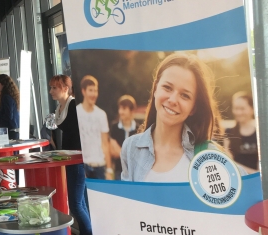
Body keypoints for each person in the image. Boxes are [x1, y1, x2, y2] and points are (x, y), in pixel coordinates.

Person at [121, 54, 221, 183]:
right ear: (155, 89)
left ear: (193, 108)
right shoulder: (130, 147)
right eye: (167, 88)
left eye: (185, 95)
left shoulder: (209, 155)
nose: (173, 100)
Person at [49, 75, 94, 235]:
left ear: (65, 88)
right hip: (70, 158)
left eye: (55, 88)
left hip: (78, 159)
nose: (51, 91)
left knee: (76, 204)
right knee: (79, 203)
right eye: (51, 87)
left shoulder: (74, 106)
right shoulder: (60, 108)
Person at [76, 76, 113, 179]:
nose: (93, 94)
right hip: (83, 166)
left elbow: (105, 143)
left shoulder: (101, 114)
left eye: (95, 91)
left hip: (99, 166)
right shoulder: (76, 112)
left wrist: (109, 170)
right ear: (83, 91)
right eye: (90, 90)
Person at [225, 91, 259, 172]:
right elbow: (228, 163)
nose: (239, 112)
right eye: (236, 108)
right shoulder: (229, 133)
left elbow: (261, 169)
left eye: (242, 109)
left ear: (252, 109)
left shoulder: (259, 134)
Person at [109, 95, 138, 179]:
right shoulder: (114, 127)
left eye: (124, 109)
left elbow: (138, 154)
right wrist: (130, 155)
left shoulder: (139, 129)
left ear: (132, 111)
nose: (120, 112)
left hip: (134, 172)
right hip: (119, 171)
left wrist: (120, 152)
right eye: (120, 108)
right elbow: (112, 151)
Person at [0, 74, 20, 140]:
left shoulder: (6, 97)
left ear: (3, 84)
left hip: (9, 131)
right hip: (13, 129)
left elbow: (8, 115)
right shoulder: (11, 96)